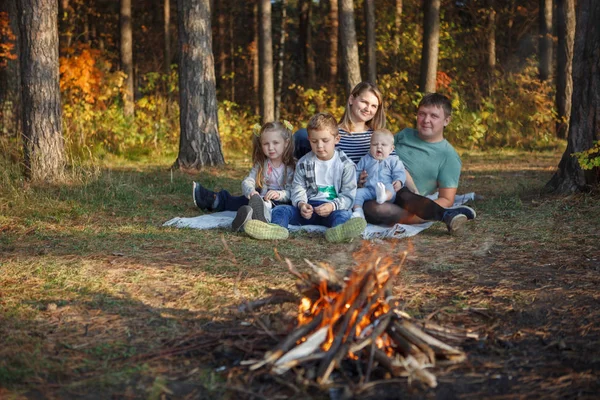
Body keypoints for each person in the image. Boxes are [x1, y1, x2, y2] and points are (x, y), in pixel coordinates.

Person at [243, 112, 367, 242]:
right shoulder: (304, 162)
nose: (319, 146)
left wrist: (332, 206)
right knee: (281, 209)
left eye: (325, 141)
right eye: (314, 141)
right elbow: (298, 188)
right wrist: (302, 204)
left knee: (343, 214)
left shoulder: (346, 165)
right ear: (309, 140)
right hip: (308, 208)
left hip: (332, 209)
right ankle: (276, 229)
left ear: (337, 139)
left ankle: (339, 232)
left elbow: (348, 196)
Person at [363, 93, 476, 233]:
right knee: (364, 203)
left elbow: (446, 199)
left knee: (374, 208)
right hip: (375, 185)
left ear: (447, 120)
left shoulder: (449, 157)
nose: (426, 120)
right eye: (422, 114)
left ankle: (445, 215)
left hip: (407, 199)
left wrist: (418, 216)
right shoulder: (405, 134)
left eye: (434, 116)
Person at [192, 121, 296, 232]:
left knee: (276, 209)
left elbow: (293, 191)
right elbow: (248, 180)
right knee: (239, 200)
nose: (270, 147)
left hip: (278, 202)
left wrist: (279, 194)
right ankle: (215, 200)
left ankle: (251, 218)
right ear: (261, 144)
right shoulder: (261, 164)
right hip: (259, 197)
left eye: (275, 143)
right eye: (266, 144)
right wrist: (250, 191)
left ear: (286, 143)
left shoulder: (291, 167)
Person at [293, 81, 387, 163]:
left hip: (370, 182)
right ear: (351, 99)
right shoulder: (330, 133)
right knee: (301, 135)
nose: (368, 109)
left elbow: (393, 166)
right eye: (364, 102)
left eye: (374, 106)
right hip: (332, 182)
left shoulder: (378, 137)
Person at [352, 128, 407, 220]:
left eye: (384, 145)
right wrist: (356, 180)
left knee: (391, 188)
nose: (379, 147)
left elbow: (400, 172)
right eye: (375, 144)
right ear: (370, 146)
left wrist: (399, 181)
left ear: (391, 149)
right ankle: (358, 212)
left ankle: (384, 196)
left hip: (386, 188)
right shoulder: (365, 159)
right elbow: (357, 171)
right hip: (369, 189)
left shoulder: (393, 160)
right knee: (358, 193)